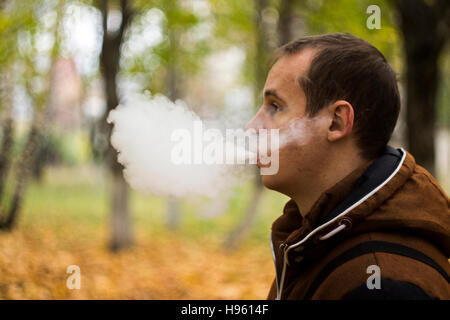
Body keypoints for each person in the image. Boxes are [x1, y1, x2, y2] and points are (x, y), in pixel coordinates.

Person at [245, 33, 450, 300]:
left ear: (336, 122)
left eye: (275, 106)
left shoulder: (380, 286)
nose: (252, 128)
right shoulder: (315, 238)